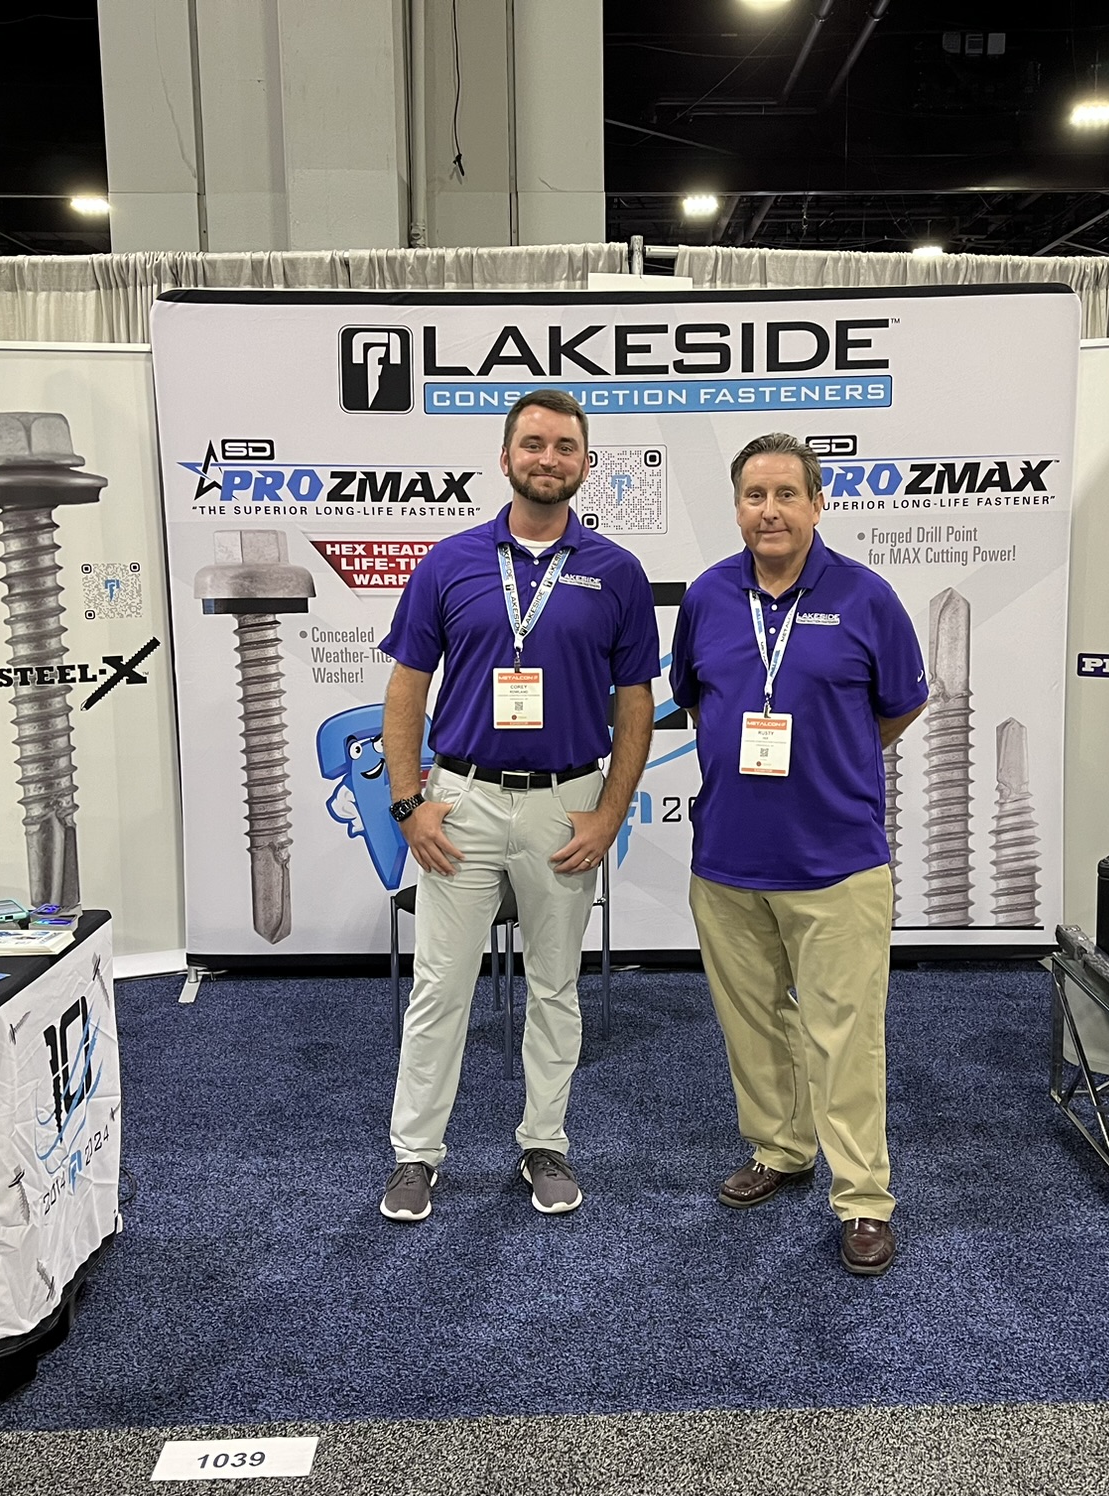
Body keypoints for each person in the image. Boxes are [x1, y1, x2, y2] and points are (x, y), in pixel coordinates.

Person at [377, 388, 658, 1222]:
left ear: (585, 464)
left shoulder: (616, 572)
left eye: (564, 446)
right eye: (532, 444)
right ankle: (415, 1154)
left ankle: (545, 1142)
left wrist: (610, 812)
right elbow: (407, 686)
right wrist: (409, 802)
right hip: (461, 800)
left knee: (555, 986)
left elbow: (636, 702)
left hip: (565, 805)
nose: (547, 458)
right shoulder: (450, 562)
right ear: (505, 458)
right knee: (440, 988)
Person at [669, 432, 928, 1276]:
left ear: (818, 504)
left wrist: (832, 759)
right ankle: (781, 1148)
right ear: (737, 507)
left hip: (837, 862)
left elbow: (899, 707)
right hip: (728, 859)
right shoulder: (708, 597)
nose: (770, 511)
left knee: (844, 1034)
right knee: (752, 1024)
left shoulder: (866, 597)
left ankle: (863, 1198)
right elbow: (698, 702)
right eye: (755, 496)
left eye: (787, 494)